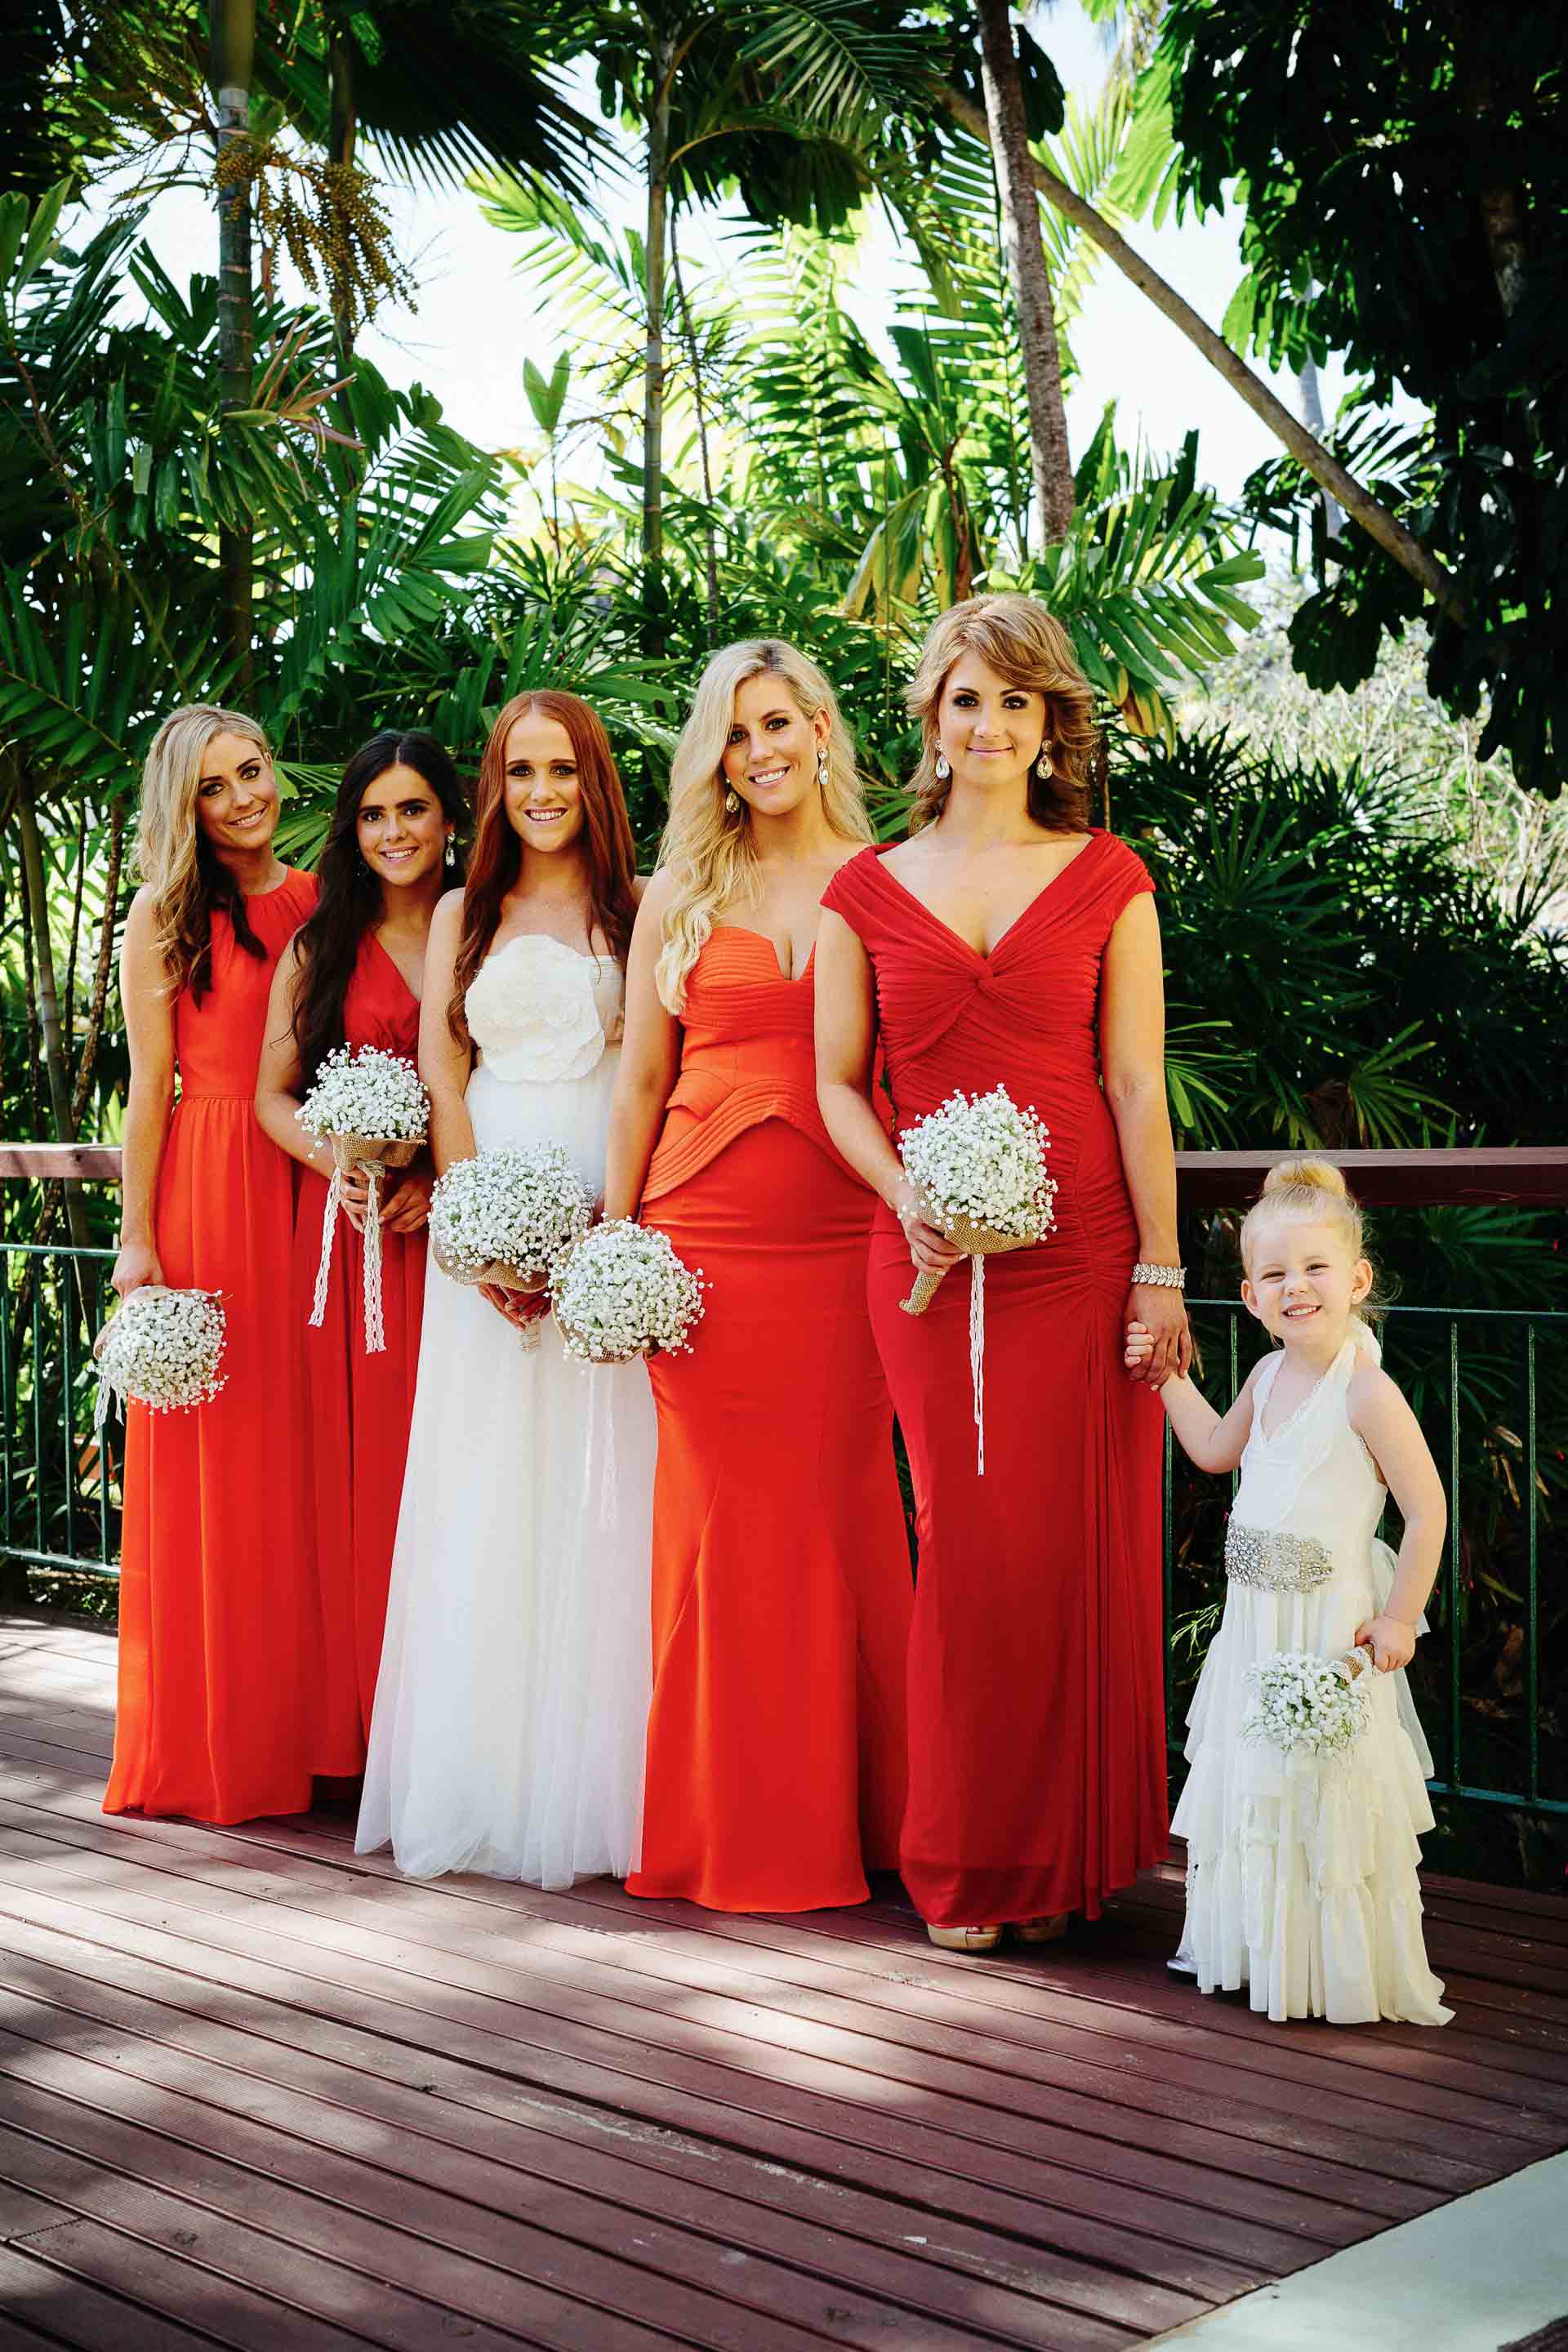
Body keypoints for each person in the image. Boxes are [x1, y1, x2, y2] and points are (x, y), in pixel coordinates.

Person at [816, 593, 1183, 1951]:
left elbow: (1135, 1084)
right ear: (931, 716)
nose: (989, 725)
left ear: (1050, 726)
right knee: (966, 1549)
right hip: (923, 1267)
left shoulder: (1109, 876)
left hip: (1080, 1253)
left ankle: (1067, 1862)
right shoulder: (866, 889)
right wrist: (909, 1194)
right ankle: (969, 1863)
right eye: (967, 698)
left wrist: (1160, 1267)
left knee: (1066, 1552)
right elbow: (838, 1087)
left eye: (1016, 703)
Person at [604, 639, 911, 1914]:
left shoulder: (891, 881)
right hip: (702, 1250)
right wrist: (617, 1241)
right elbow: (637, 1077)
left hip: (849, 1241)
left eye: (779, 722)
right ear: (714, 757)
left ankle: (884, 1827)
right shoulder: (680, 890)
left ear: (824, 729)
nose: (762, 750)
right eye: (736, 734)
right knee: (723, 1533)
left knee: (847, 1517)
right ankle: (728, 1832)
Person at [355, 691, 655, 1884]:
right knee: (485, 1484)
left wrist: (602, 1231)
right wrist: (476, 1231)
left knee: (604, 1485)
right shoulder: (457, 913)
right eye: (520, 771)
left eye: (564, 771)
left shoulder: (634, 910)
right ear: (494, 785)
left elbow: (643, 1070)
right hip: (488, 1200)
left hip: (596, 1189)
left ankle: (604, 1788)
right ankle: (481, 1778)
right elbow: (442, 1060)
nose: (541, 793)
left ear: (594, 783)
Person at [1126, 1159, 1451, 2025]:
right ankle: (1257, 1956)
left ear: (1357, 1279)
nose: (1295, 1288)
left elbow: (1426, 1511)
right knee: (1258, 1785)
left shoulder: (1367, 1392)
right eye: (1274, 1274)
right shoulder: (1267, 1379)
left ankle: (1330, 1971)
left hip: (1326, 1631)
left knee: (1322, 1788)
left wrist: (1398, 1618)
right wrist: (1164, 1376)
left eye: (1314, 1268)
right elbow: (1214, 1450)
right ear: (1249, 1296)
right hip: (1256, 1626)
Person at [105, 705, 318, 1824]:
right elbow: (150, 1089)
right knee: (216, 1472)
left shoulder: (324, 900)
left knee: (299, 1463)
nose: (244, 798)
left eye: (254, 771)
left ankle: (309, 1733)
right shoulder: (164, 917)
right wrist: (139, 1238)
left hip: (313, 1187)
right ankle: (213, 1741)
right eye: (215, 787)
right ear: (184, 808)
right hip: (211, 1188)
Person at [255, 730, 466, 1770]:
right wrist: (335, 1158)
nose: (394, 832)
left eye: (413, 809)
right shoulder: (322, 945)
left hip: (457, 1241)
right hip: (352, 1246)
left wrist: (445, 1180)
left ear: (449, 817)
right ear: (352, 828)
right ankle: (366, 1736)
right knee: (365, 1478)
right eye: (374, 814)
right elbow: (270, 1097)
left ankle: (454, 1727)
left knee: (458, 1472)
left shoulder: (489, 932)